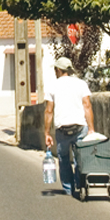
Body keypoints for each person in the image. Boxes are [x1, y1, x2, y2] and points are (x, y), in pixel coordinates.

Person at [44, 56, 95, 196]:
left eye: (56, 69)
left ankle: (68, 188)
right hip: (80, 127)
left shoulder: (52, 86)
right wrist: (91, 129)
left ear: (59, 70)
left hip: (62, 129)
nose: (55, 72)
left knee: (64, 159)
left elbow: (49, 111)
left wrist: (47, 133)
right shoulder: (81, 84)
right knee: (80, 157)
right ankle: (80, 183)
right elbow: (87, 106)